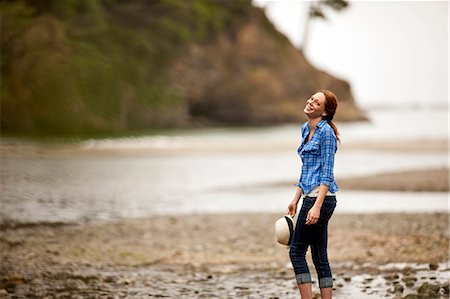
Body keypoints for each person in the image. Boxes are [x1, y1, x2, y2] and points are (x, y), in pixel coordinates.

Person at [287, 90, 340, 299]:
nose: (310, 102)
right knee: (319, 256)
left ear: (325, 112)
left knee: (296, 252)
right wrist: (295, 199)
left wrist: (316, 206)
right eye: (311, 98)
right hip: (310, 197)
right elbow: (306, 170)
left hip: (321, 199)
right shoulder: (305, 129)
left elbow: (326, 173)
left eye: (316, 102)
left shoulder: (326, 133)